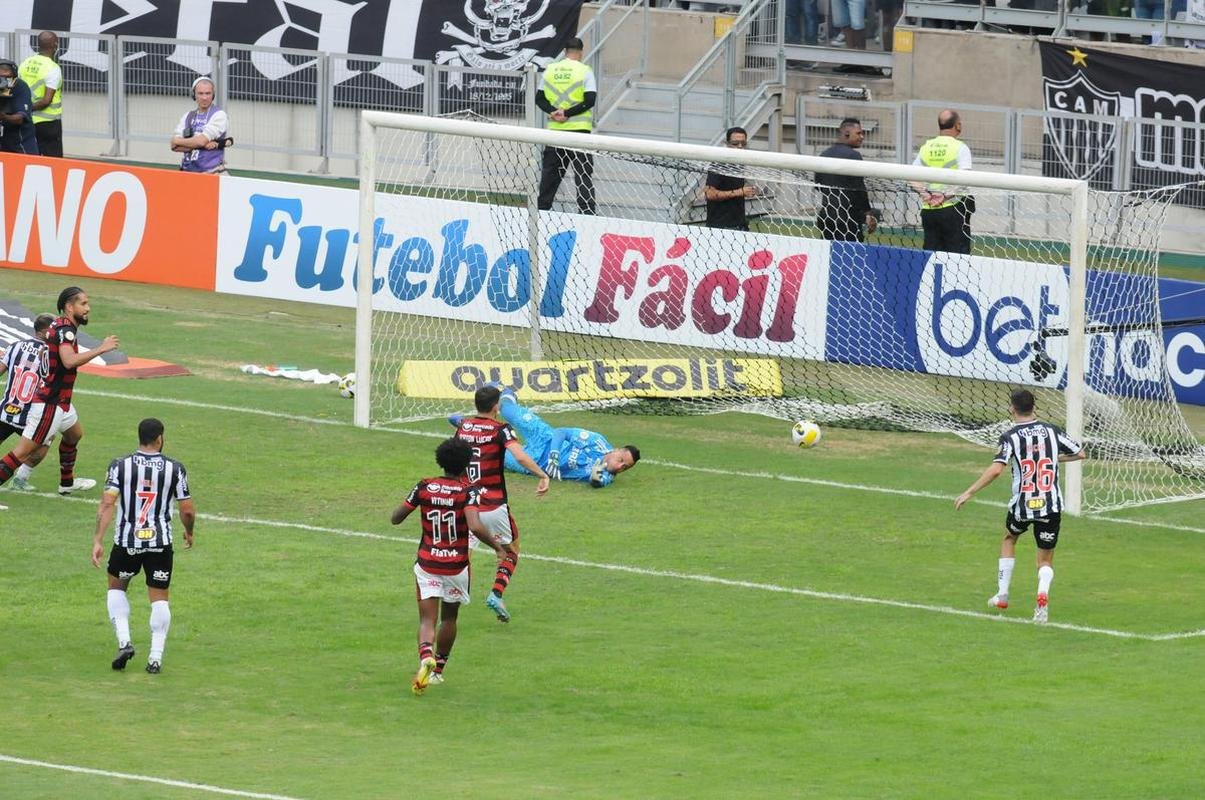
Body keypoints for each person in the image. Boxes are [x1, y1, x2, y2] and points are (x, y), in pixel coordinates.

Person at [390, 438, 514, 694]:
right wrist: (498, 547)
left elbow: (396, 518)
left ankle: (426, 655)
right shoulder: (468, 492)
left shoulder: (425, 485)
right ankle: (437, 671)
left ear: (440, 461)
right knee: (449, 618)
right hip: (456, 566)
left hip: (427, 563)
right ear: (467, 465)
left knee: (427, 618)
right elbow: (476, 526)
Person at [954, 389, 1086, 624]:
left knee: (1009, 538)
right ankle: (1042, 596)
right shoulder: (1052, 431)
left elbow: (996, 469)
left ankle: (1002, 594)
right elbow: (1080, 453)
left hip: (1023, 505)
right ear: (1034, 407)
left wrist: (969, 491)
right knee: (1044, 561)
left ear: (1012, 409)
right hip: (1051, 504)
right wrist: (1054, 458)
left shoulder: (1010, 437)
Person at [90, 418, 195, 674]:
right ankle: (155, 658)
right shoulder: (175, 468)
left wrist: (98, 540)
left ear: (140, 437)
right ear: (159, 438)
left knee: (116, 588)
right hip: (160, 544)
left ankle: (125, 642)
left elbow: (107, 504)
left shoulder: (119, 466)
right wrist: (189, 532)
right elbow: (187, 510)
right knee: (159, 598)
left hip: (127, 541)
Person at [0, 287, 119, 494]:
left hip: (60, 402)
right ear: (69, 306)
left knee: (74, 434)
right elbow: (69, 360)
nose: (88, 308)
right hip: (49, 404)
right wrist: (101, 348)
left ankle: (66, 484)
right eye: (83, 304)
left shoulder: (58, 325)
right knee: (21, 454)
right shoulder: (66, 330)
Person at [449, 384, 551, 624]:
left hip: (465, 502)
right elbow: (520, 456)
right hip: (493, 505)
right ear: (496, 406)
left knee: (463, 552)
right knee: (510, 551)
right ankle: (496, 593)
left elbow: (454, 456)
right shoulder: (502, 429)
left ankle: (455, 595)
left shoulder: (464, 426)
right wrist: (542, 475)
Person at [490, 386, 639, 489]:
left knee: (488, 452)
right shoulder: (596, 442)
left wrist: (597, 472)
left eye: (624, 468)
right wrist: (554, 455)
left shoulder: (607, 476)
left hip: (533, 464)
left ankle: (465, 424)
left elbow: (596, 482)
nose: (620, 467)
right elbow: (561, 432)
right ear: (617, 450)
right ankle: (506, 392)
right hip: (544, 436)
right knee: (506, 409)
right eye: (621, 460)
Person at [536, 37, 597, 215]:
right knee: (583, 177)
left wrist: (554, 112)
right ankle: (587, 215)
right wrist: (568, 113)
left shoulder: (550, 70)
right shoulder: (585, 70)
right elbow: (590, 100)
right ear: (580, 52)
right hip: (579, 133)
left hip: (556, 133)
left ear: (565, 51)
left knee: (549, 177)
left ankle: (541, 213)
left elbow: (539, 98)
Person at [0, 314, 56, 492]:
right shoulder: (51, 354)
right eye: (54, 329)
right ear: (47, 331)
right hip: (31, 417)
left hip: (4, 411)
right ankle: (21, 479)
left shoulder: (15, 346)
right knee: (45, 442)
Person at [911, 109, 974, 255]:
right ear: (958, 125)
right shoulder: (960, 147)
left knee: (931, 256)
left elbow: (912, 176)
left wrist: (925, 194)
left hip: (929, 210)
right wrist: (945, 196)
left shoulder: (927, 147)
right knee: (957, 257)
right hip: (953, 208)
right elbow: (964, 178)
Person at [815, 118, 878, 242]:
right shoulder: (853, 156)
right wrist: (867, 213)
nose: (862, 137)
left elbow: (818, 184)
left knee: (828, 253)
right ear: (847, 133)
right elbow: (858, 188)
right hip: (848, 218)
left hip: (826, 216)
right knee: (850, 256)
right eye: (859, 133)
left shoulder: (824, 154)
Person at [171, 77, 231, 174]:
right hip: (186, 172)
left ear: (213, 95)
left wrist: (180, 141)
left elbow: (201, 141)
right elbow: (173, 145)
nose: (204, 97)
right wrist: (200, 144)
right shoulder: (187, 116)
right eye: (200, 93)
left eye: (208, 93)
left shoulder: (219, 115)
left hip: (212, 173)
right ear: (194, 95)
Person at [19, 31, 64, 158]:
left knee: (31, 157)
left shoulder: (25, 63)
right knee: (53, 161)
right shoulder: (53, 68)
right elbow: (46, 101)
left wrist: (24, 109)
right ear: (55, 45)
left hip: (27, 121)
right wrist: (29, 108)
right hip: (48, 123)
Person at [705, 127, 756, 231]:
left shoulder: (740, 164)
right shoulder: (719, 164)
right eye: (735, 143)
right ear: (727, 143)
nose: (740, 147)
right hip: (720, 227)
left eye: (743, 143)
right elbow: (709, 194)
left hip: (739, 225)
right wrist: (740, 192)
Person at [0, 59, 39, 155]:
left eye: (7, 77)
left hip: (21, 143)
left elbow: (19, 119)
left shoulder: (20, 87)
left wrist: (4, 117)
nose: (4, 80)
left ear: (14, 76)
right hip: (3, 143)